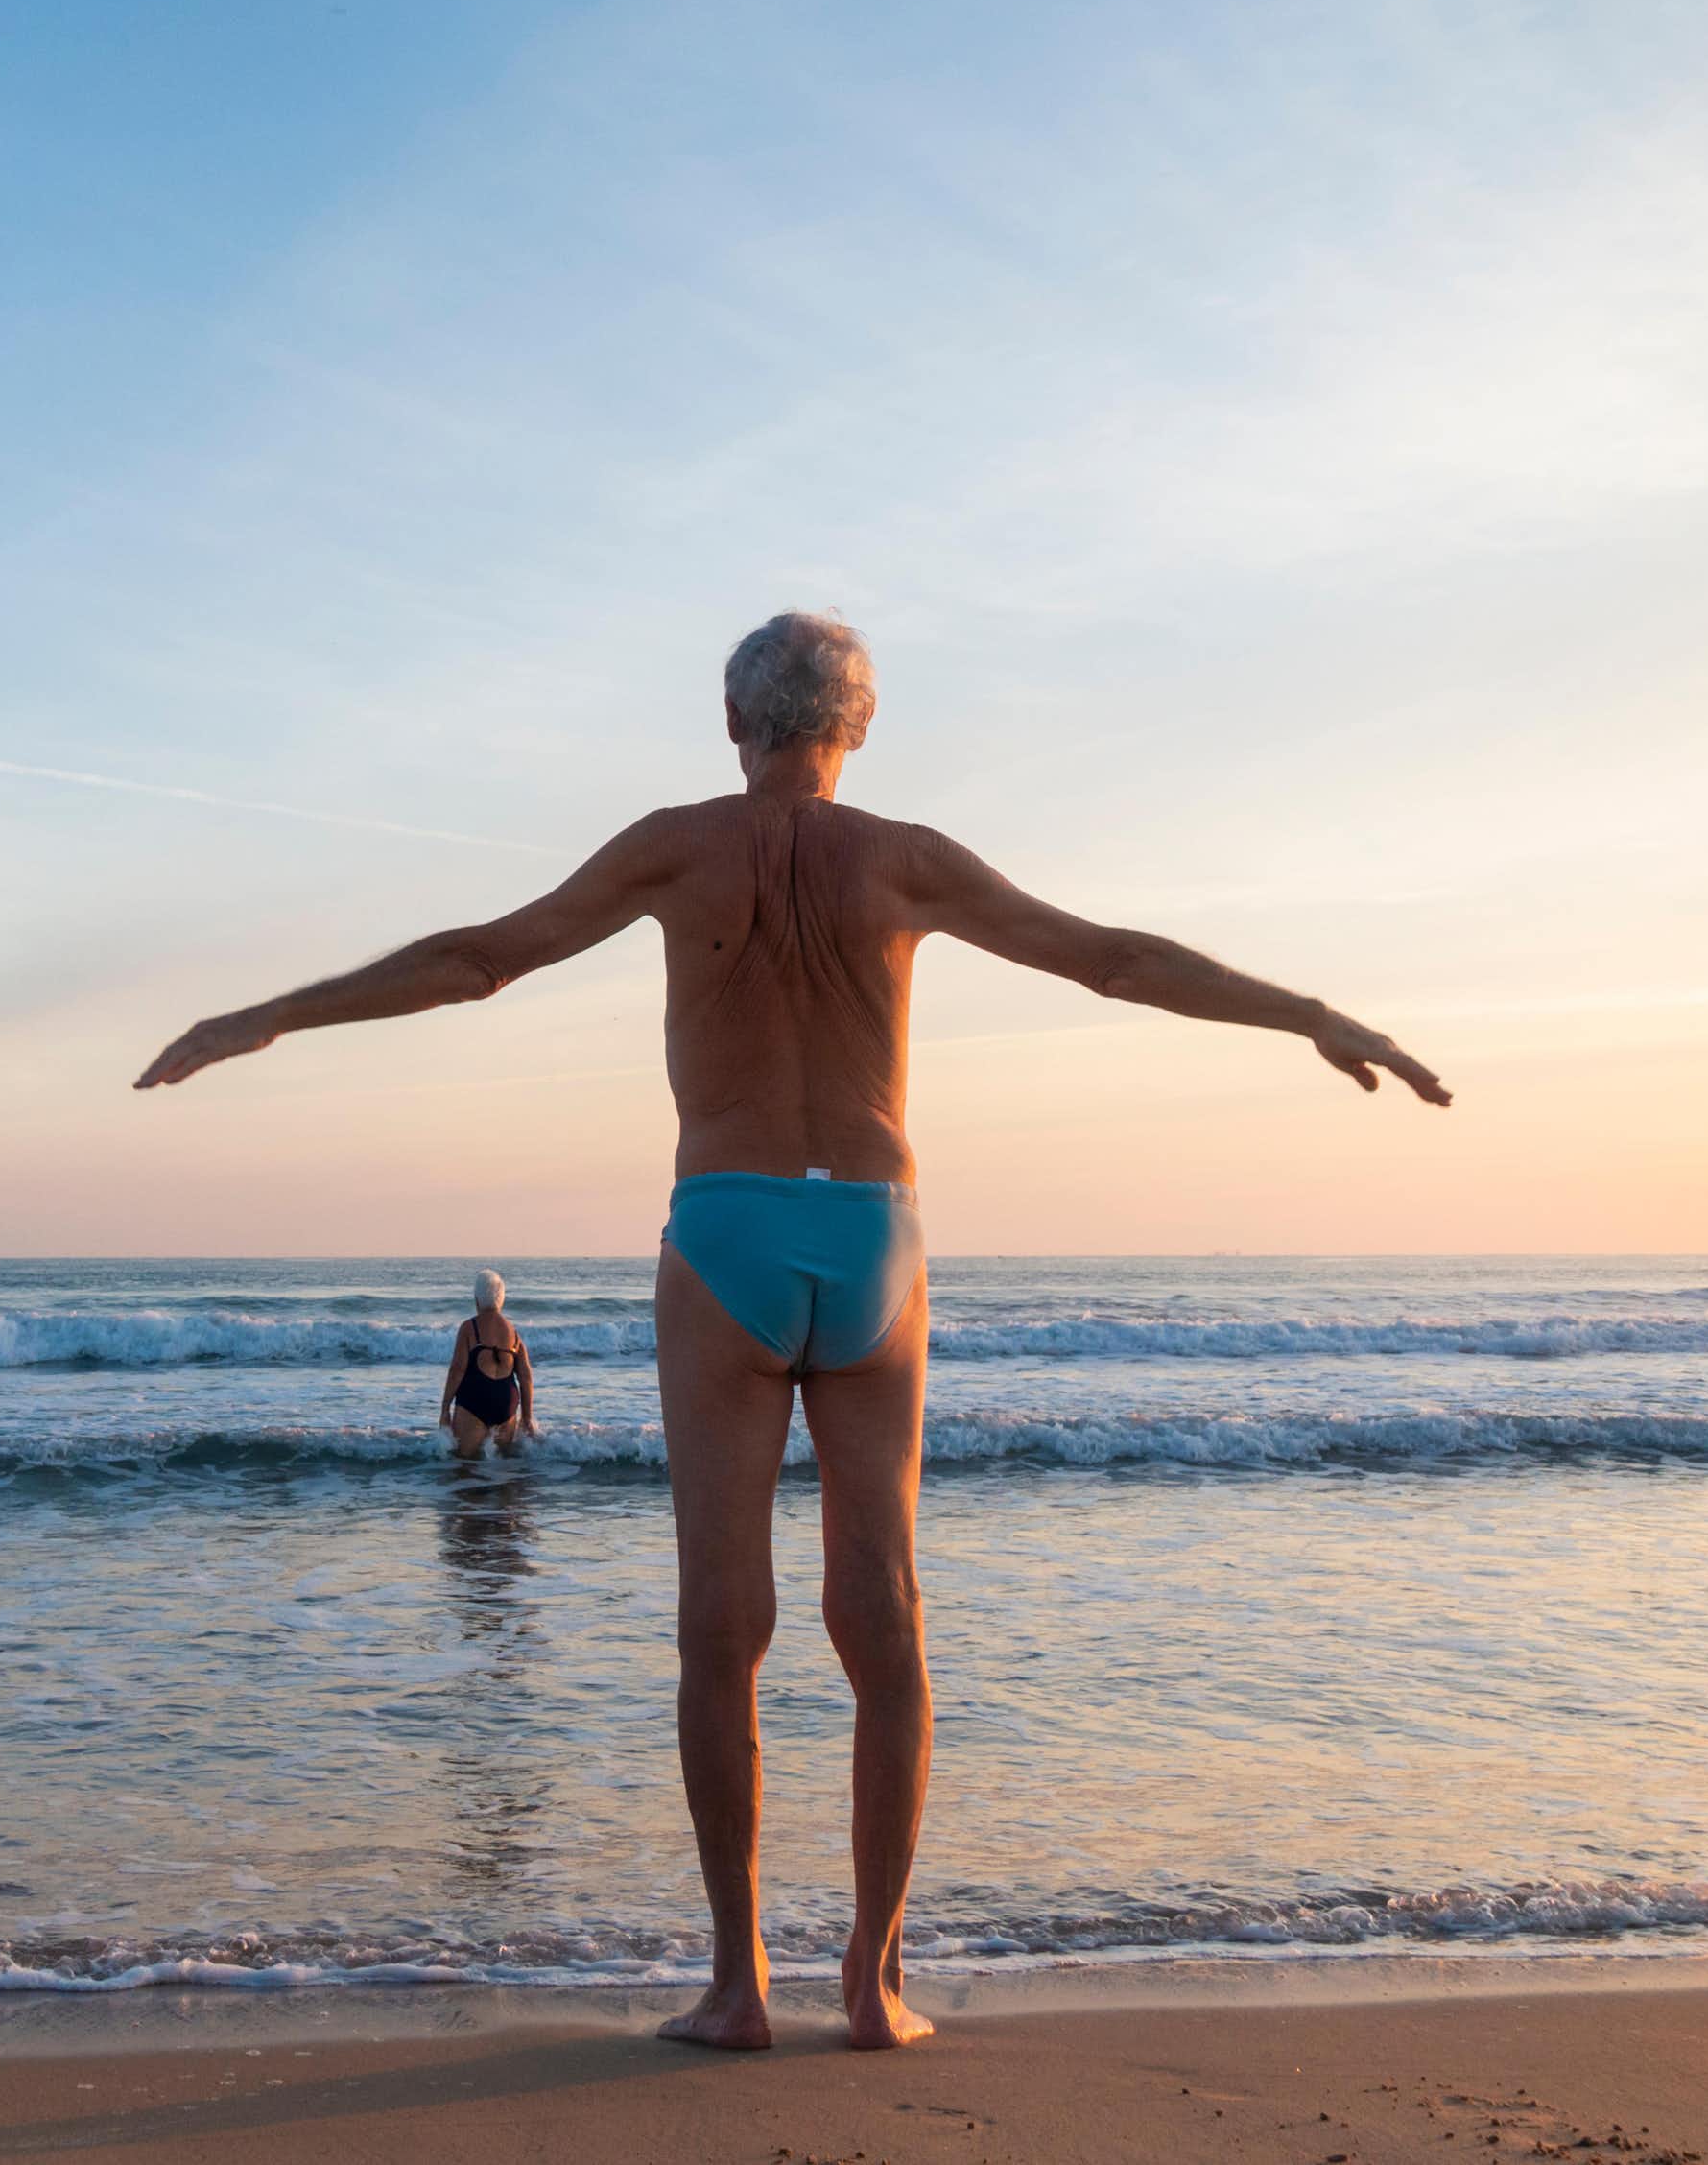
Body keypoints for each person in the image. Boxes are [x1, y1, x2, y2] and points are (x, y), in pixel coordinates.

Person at [135, 609, 1447, 2051]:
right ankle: (877, 1985)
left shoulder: (673, 844)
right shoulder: (907, 857)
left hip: (727, 1231)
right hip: (875, 1231)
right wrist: (1312, 1014)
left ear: (730, 718)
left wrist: (269, 1015)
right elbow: (1112, 960)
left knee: (724, 1625)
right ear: (859, 726)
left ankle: (737, 1982)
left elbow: (476, 959)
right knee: (883, 1615)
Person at [441, 1269, 534, 1455]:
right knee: (503, 1471)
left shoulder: (469, 1328)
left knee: (464, 1465)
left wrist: (445, 1409)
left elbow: (457, 1370)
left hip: (474, 1401)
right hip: (506, 1404)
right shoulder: (513, 1333)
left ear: (477, 1299)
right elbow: (526, 1377)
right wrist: (526, 1418)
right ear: (501, 1299)